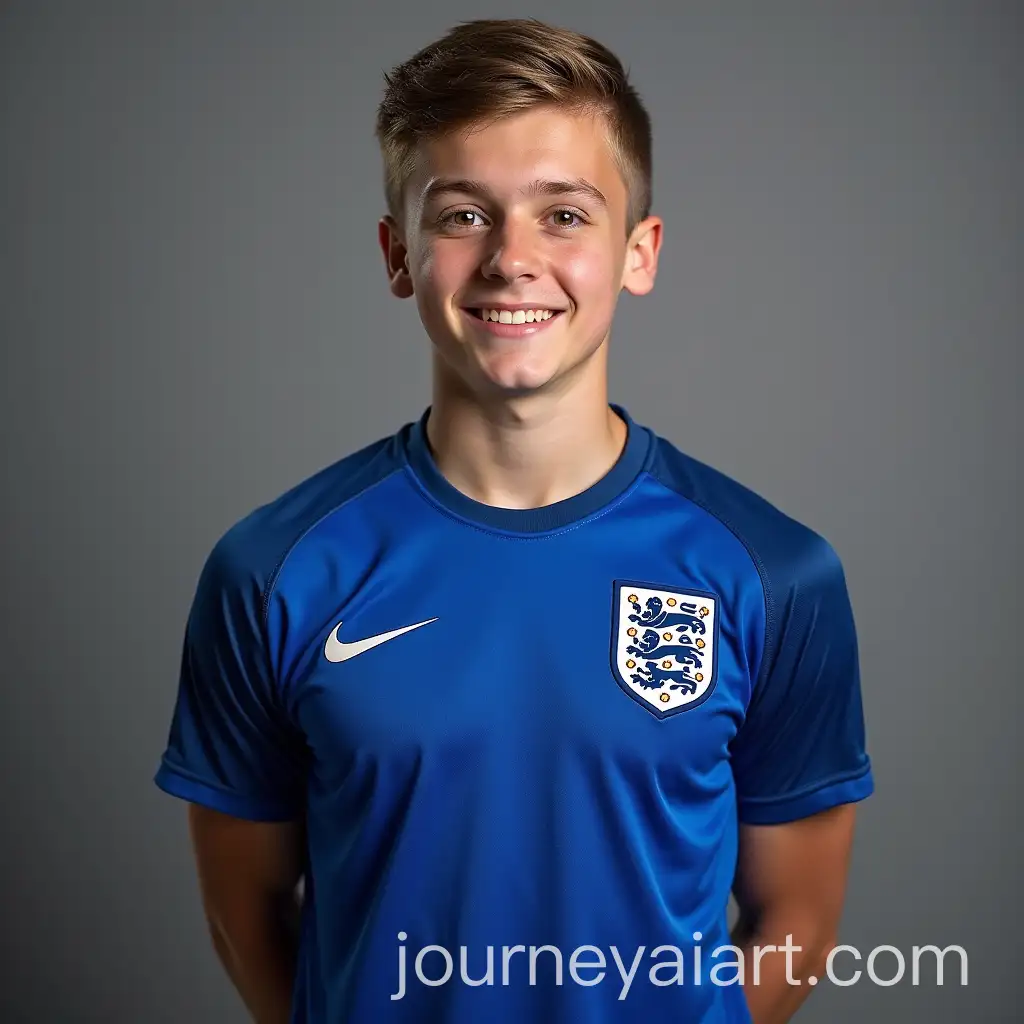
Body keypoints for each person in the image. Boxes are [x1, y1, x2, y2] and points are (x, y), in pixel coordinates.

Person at [154, 17, 874, 1024]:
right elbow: (245, 912)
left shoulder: (771, 572)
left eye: (565, 216)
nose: (510, 259)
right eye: (461, 216)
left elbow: (797, 912)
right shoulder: (276, 570)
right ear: (398, 254)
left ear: (639, 251)